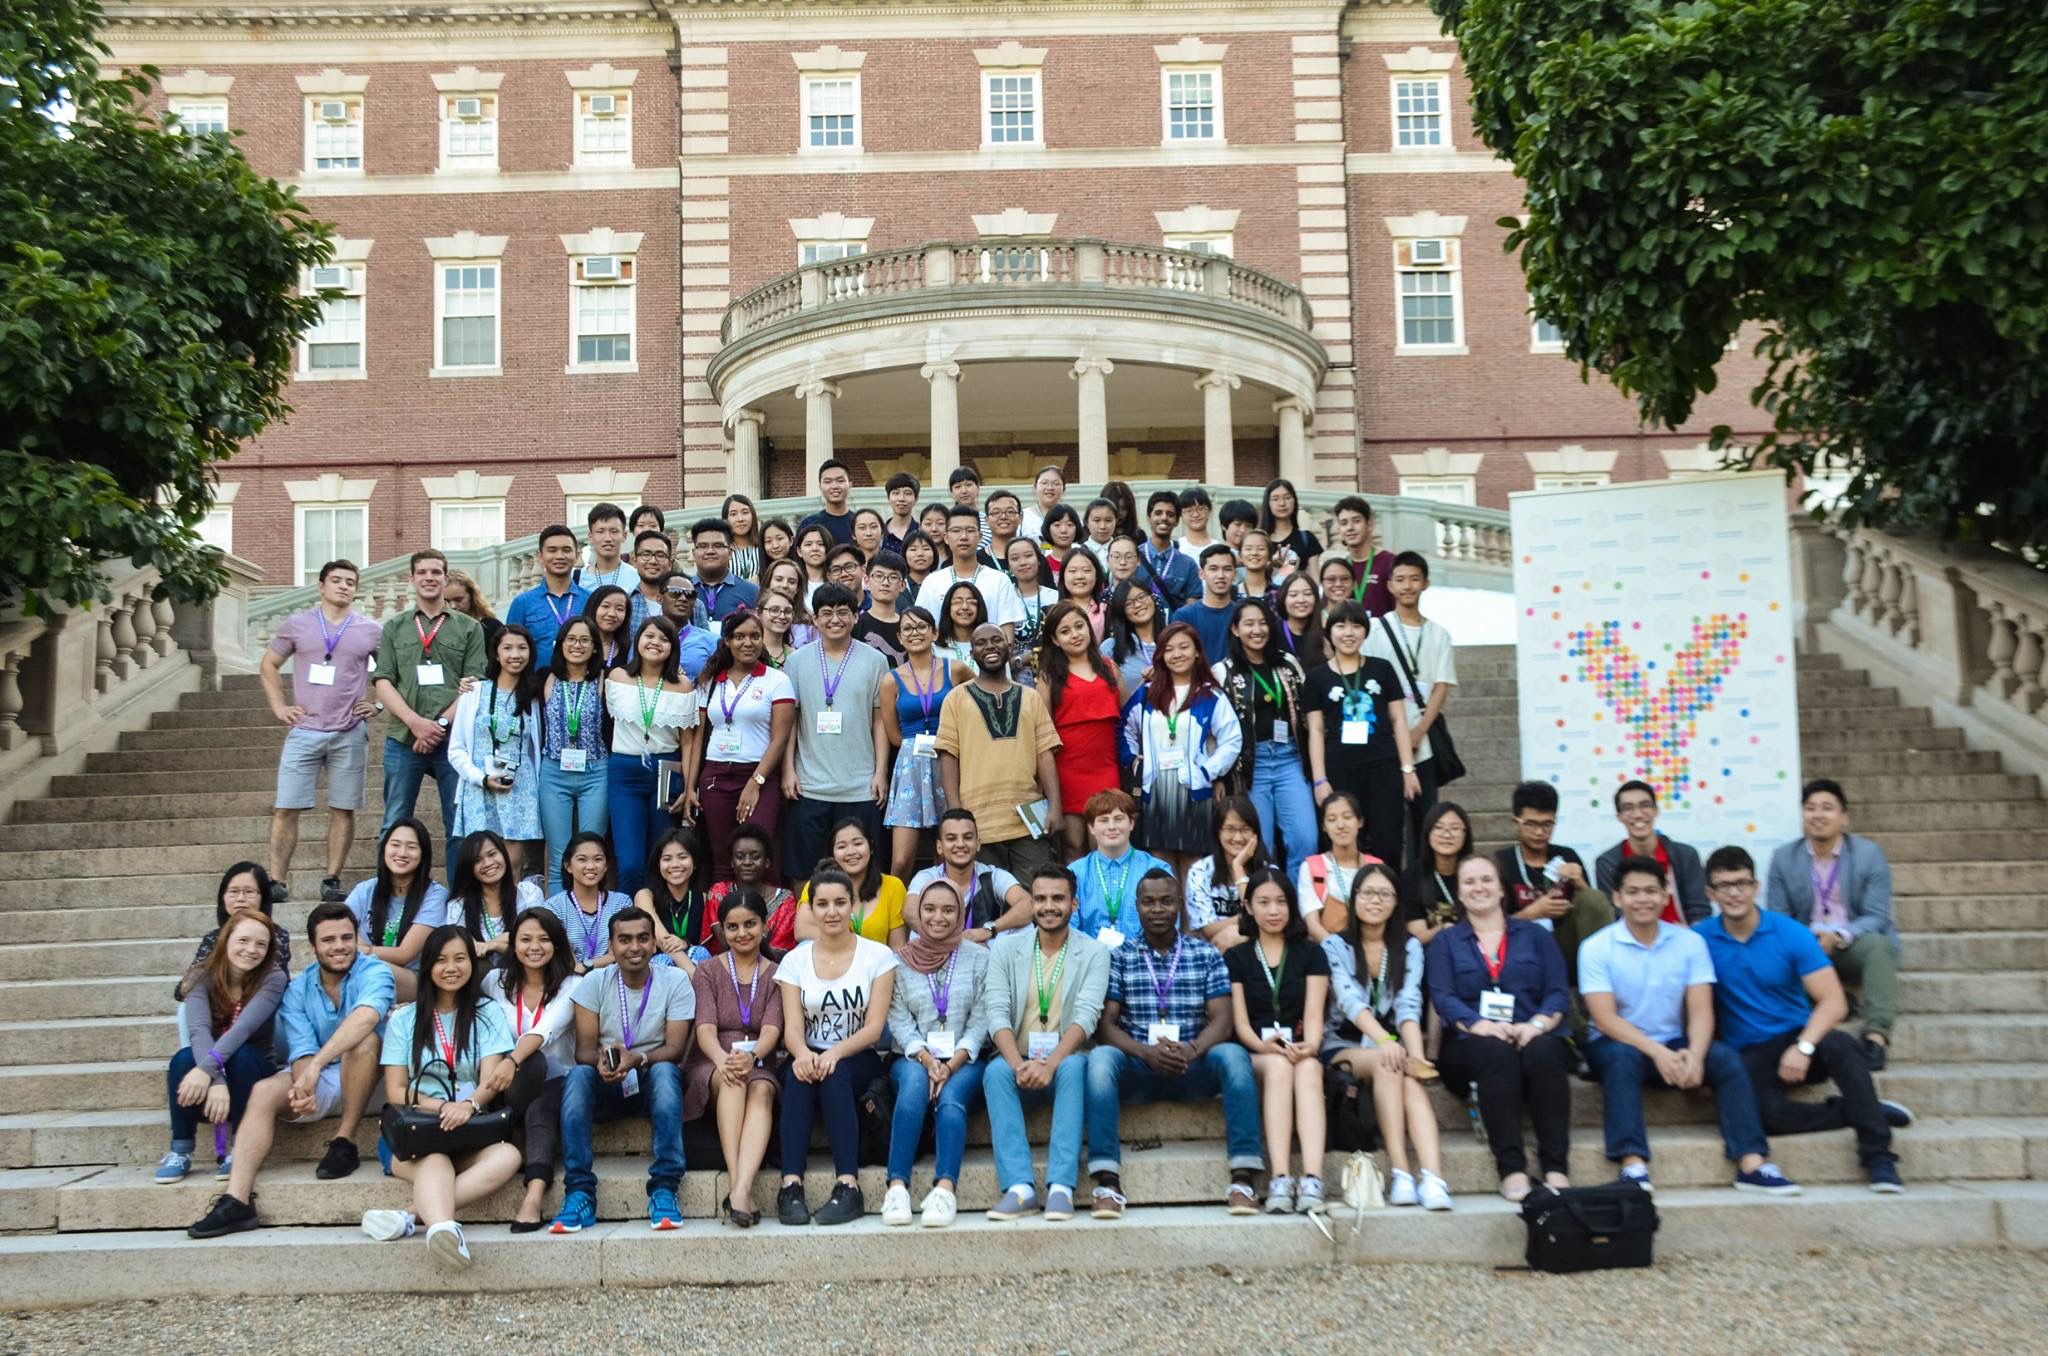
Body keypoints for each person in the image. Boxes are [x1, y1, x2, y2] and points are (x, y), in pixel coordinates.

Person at [1582, 855, 1802, 1197]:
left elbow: (1701, 1011)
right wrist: (1658, 1053)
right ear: (1617, 898)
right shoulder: (1596, 948)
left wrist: (1696, 1056)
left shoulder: (1689, 942)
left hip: (1673, 1042)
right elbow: (1605, 1019)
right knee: (1622, 1058)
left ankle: (1751, 1163)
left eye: (1651, 891)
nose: (1643, 899)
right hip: (1617, 1044)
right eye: (1634, 892)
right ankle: (1633, 1165)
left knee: (1725, 1058)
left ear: (1666, 893)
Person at [1699, 846, 1913, 1194]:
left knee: (1844, 1046)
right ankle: (1859, 1109)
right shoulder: (1700, 940)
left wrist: (1803, 1046)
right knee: (1769, 1118)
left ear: (1756, 887)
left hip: (1799, 1036)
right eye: (1723, 885)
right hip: (1749, 1052)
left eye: (1741, 883)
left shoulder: (1789, 933)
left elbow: (1833, 1001)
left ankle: (1879, 1157)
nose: (1734, 893)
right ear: (1710, 893)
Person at [188, 904, 393, 1238]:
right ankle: (237, 1200)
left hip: (377, 1083)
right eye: (328, 940)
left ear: (358, 939)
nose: (339, 946)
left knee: (364, 1040)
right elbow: (301, 1049)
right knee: (264, 1091)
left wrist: (313, 1067)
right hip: (327, 1077)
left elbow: (367, 1017)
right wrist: (302, 1086)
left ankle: (345, 1140)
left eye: (346, 937)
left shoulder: (376, 972)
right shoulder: (298, 989)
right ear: (312, 946)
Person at [1086, 869, 1265, 1217]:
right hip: (1139, 1067)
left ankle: (1242, 1178)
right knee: (1100, 1060)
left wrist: (1193, 1049)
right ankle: (1107, 1182)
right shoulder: (1119, 957)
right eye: (1149, 902)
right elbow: (1105, 1027)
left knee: (1232, 1055)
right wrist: (1146, 1053)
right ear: (1136, 906)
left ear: (1180, 905)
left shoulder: (1206, 954)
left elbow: (1223, 1018)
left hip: (1193, 1065)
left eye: (1166, 901)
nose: (1157, 909)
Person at [364, 926, 522, 1268]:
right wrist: (444, 1107)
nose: (451, 968)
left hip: (468, 1126)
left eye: (460, 959)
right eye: (440, 960)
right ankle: (444, 1229)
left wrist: (468, 1106)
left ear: (471, 963)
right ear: (428, 968)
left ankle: (412, 1218)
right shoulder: (404, 1019)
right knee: (434, 1161)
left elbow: (491, 1079)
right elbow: (395, 1091)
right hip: (415, 1132)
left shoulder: (487, 1012)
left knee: (508, 1156)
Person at [1425, 855, 1573, 1202]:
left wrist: (1535, 1026)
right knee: (1497, 1054)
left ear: (1502, 888)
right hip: (1468, 1042)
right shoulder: (1447, 942)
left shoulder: (1535, 935)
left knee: (1546, 1052)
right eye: (1470, 882)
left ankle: (1556, 1167)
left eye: (1487, 880)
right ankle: (1512, 1169)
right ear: (1459, 894)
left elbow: (1557, 993)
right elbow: (1443, 997)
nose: (1479, 888)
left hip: (1530, 1032)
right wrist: (1481, 1025)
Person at [549, 907, 695, 1232]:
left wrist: (637, 1059)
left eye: (643, 938)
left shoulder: (675, 981)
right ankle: (579, 1192)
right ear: (611, 946)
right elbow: (583, 1050)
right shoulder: (593, 982)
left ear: (654, 945)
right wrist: (603, 1060)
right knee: (577, 1074)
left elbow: (674, 1048)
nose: (634, 947)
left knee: (666, 1072)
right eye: (625, 940)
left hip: (650, 1081)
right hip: (606, 1080)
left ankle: (664, 1188)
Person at [983, 865, 1110, 1222]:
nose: (1048, 906)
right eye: (1040, 899)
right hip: (1018, 1057)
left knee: (1072, 1066)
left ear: (1074, 903)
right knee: (995, 1073)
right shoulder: (1005, 950)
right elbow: (996, 1014)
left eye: (1058, 898)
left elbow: (1087, 1016)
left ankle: (1061, 1188)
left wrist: (1050, 1063)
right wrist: (1017, 1064)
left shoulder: (1095, 952)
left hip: (1065, 1058)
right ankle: (1020, 1188)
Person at [774, 866, 898, 1226]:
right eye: (823, 903)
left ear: (852, 905)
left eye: (840, 903)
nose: (831, 911)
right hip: (808, 1050)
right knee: (799, 1077)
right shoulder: (794, 960)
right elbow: (792, 1029)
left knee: (835, 1074)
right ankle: (791, 1186)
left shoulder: (877, 956)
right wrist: (802, 1055)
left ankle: (848, 1186)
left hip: (857, 1056)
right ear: (810, 909)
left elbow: (874, 1028)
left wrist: (832, 1053)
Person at [1323, 864, 1451, 1210]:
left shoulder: (1408, 947)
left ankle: (1433, 1178)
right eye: (1367, 893)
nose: (1375, 901)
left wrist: (1418, 1056)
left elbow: (1409, 1006)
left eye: (1384, 894)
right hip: (1343, 1045)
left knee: (1409, 1079)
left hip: (1389, 1044)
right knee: (1389, 1061)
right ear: (1354, 899)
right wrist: (1387, 1043)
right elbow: (1349, 1002)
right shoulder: (1335, 945)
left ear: (1396, 902)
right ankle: (1400, 1171)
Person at [262, 558, 380, 905]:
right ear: (321, 586)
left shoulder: (370, 630)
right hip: (305, 728)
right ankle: (276, 879)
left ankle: (331, 878)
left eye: (350, 582)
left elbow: (390, 672)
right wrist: (279, 707)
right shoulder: (297, 625)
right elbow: (268, 663)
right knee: (286, 806)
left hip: (349, 730)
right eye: (337, 580)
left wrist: (377, 704)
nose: (343, 586)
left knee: (343, 807)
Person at [881, 879, 995, 1229]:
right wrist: (930, 1061)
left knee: (952, 1096)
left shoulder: (980, 957)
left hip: (967, 1058)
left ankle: (945, 1188)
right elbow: (898, 1021)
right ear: (918, 912)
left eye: (948, 910)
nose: (938, 917)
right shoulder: (899, 962)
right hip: (913, 1058)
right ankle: (897, 1187)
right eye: (929, 909)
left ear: (960, 913)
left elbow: (982, 1019)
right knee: (915, 1086)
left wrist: (952, 1064)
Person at [1766, 778, 1902, 1069]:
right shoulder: (1783, 858)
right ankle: (1837, 999)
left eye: (1827, 808)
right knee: (1770, 962)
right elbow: (1778, 916)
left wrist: (1839, 936)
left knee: (1879, 946)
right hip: (1807, 945)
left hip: (1852, 941)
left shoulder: (1868, 854)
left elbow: (1877, 915)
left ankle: (1876, 1036)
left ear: (1844, 817)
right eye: (1810, 808)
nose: (1818, 815)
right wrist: (1807, 939)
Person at [1225, 867, 1329, 1213]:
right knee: (1279, 1067)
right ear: (1249, 908)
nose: (1273, 911)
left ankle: (1313, 1177)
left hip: (1300, 1046)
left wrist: (1310, 1045)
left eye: (1281, 902)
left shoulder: (1311, 952)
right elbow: (1239, 1022)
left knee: (1310, 1069)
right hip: (1257, 1050)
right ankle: (1281, 1177)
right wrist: (1262, 1046)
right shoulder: (1237, 956)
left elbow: (1314, 1014)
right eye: (1264, 902)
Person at [373, 549, 487, 862]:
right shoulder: (394, 628)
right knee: (394, 823)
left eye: (436, 572)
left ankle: (459, 901)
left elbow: (474, 683)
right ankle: (389, 898)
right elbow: (383, 681)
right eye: (422, 572)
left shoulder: (468, 628)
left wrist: (440, 725)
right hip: (403, 737)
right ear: (411, 579)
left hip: (454, 741)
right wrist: (415, 722)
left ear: (445, 578)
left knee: (459, 826)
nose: (429, 578)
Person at [158, 914, 285, 1183]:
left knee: (242, 1055)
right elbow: (198, 1031)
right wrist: (215, 1078)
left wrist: (209, 1071)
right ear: (225, 940)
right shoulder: (200, 974)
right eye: (243, 940)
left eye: (261, 944)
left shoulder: (273, 977)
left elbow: (244, 1030)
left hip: (253, 1065)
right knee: (182, 1060)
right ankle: (180, 1149)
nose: (252, 950)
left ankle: (241, 1145)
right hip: (211, 1064)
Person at [936, 623, 1065, 881]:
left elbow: (1045, 754)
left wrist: (1055, 807)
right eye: (981, 643)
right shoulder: (956, 698)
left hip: (1027, 818)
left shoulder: (1030, 697)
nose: (990, 646)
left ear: (1009, 647)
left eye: (996, 640)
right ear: (971, 654)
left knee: (1034, 895)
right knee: (987, 900)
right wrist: (955, 814)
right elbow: (948, 756)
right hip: (977, 821)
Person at [782, 583, 890, 890]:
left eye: (844, 612)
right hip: (810, 785)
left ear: (856, 617)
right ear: (814, 619)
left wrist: (880, 772)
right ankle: (806, 933)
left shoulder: (875, 660)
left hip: (859, 786)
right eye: (826, 613)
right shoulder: (797, 661)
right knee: (804, 868)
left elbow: (879, 720)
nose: (835, 620)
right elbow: (791, 721)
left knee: (863, 871)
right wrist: (788, 770)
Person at [688, 891, 784, 1227]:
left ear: (764, 926)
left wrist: (754, 1055)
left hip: (759, 1059)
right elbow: (705, 1028)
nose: (741, 933)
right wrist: (721, 1059)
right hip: (713, 1060)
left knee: (760, 1090)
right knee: (732, 1079)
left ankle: (741, 1190)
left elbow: (772, 1029)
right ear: (721, 930)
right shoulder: (708, 970)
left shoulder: (777, 972)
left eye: (749, 924)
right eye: (732, 927)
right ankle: (736, 1182)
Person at [479, 906, 576, 1229]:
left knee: (539, 1105)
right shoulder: (495, 981)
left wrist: (512, 1060)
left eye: (544, 939)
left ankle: (533, 1195)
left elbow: (546, 1029)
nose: (535, 947)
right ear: (513, 945)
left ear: (557, 944)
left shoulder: (572, 984)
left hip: (558, 1080)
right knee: (528, 1078)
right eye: (525, 939)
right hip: (507, 1087)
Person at [1122, 621, 1243, 878]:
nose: (1177, 654)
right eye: (1169, 649)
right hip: (1154, 791)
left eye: (1184, 647)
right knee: (1161, 868)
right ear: (1161, 656)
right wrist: (1134, 761)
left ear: (1197, 651)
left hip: (1193, 791)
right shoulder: (1146, 694)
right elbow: (1124, 729)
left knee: (1192, 869)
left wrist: (1207, 770)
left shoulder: (1210, 695)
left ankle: (1192, 920)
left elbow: (1232, 739)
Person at [1303, 601, 1418, 870]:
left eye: (1356, 626)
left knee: (1387, 843)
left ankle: (1388, 901)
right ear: (1329, 632)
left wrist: (1407, 769)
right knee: (1342, 842)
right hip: (1339, 770)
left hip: (1383, 767)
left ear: (1365, 632)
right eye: (1340, 626)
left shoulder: (1382, 669)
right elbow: (1316, 731)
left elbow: (1399, 720)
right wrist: (1320, 779)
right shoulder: (1317, 678)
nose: (1348, 633)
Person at [688, 608, 795, 882]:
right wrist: (690, 787)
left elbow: (780, 738)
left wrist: (755, 782)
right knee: (723, 858)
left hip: (758, 773)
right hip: (715, 775)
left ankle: (768, 922)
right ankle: (724, 922)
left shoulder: (776, 679)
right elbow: (698, 737)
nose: (747, 643)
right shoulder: (710, 680)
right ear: (727, 641)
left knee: (759, 854)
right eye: (739, 636)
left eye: (754, 636)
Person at [1213, 598, 1316, 881]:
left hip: (1289, 759)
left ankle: (1299, 909)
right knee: (1260, 845)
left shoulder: (1287, 663)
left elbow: (1307, 713)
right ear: (1235, 629)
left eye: (1262, 623)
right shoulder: (1224, 671)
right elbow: (1214, 729)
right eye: (1248, 624)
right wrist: (1218, 776)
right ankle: (1267, 909)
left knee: (1305, 838)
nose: (1257, 630)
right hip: (1250, 767)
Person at [1364, 551, 1457, 858]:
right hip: (1385, 741)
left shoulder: (1439, 635)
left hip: (1424, 743)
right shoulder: (1376, 630)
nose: (1407, 586)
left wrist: (1419, 732)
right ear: (1389, 585)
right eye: (1400, 579)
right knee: (1386, 823)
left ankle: (1423, 891)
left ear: (1426, 583)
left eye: (1414, 579)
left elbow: (1441, 687)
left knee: (1425, 821)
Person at [1494, 780, 1619, 996]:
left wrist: (1580, 885)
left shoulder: (1567, 857)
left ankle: (1604, 986)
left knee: (1594, 898)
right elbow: (1490, 925)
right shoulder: (1501, 862)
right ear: (1516, 822)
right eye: (1531, 824)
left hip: (1565, 945)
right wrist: (1532, 913)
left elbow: (1594, 910)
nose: (1540, 832)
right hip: (1521, 947)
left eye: (1547, 824)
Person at [604, 616, 699, 894]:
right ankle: (629, 919)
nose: (655, 643)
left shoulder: (683, 686)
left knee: (662, 855)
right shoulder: (618, 677)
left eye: (663, 638)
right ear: (638, 640)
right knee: (630, 860)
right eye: (649, 636)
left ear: (673, 647)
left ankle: (659, 920)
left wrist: (689, 787)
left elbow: (689, 744)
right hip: (625, 769)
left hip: (666, 770)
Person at [448, 623, 545, 883]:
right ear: (496, 654)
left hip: (519, 787)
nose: (515, 655)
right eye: (508, 648)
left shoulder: (534, 696)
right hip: (479, 786)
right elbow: (455, 748)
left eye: (522, 648)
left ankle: (512, 920)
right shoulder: (474, 691)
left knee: (513, 865)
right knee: (481, 864)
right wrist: (478, 777)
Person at [879, 606, 967, 878]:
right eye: (907, 628)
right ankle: (897, 916)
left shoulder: (957, 670)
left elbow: (979, 701)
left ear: (934, 633)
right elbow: (893, 734)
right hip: (911, 765)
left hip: (949, 760)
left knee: (948, 851)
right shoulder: (890, 680)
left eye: (921, 627)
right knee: (902, 859)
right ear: (900, 637)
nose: (914, 633)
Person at [1037, 601, 1122, 860]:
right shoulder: (1048, 676)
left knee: (1106, 845)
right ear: (1054, 639)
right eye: (1065, 631)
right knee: (1073, 845)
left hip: (1107, 768)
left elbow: (1130, 714)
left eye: (1079, 626)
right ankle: (1076, 901)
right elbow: (1041, 733)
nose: (1075, 634)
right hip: (1067, 771)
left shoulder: (1109, 667)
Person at [537, 616, 609, 895]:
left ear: (594, 647)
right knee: (559, 855)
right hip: (554, 772)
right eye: (571, 639)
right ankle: (555, 923)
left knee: (592, 852)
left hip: (595, 772)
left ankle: (592, 917)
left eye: (584, 640)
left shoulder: (605, 678)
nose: (577, 645)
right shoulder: (547, 678)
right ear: (561, 644)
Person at [344, 817, 449, 1003]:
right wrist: (356, 950)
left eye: (411, 847)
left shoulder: (434, 895)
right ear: (384, 849)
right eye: (395, 844)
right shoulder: (365, 890)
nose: (402, 853)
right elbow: (343, 930)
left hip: (413, 979)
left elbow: (404, 954)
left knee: (372, 970)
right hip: (362, 969)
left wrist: (362, 951)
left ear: (423, 854)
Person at [905, 808, 1035, 940]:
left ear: (978, 844)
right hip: (939, 950)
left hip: (984, 953)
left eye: (967, 837)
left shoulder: (993, 875)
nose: (960, 844)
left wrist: (990, 929)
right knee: (916, 934)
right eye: (951, 839)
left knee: (1025, 928)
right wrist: (949, 939)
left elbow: (1027, 905)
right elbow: (910, 911)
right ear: (940, 847)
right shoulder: (927, 877)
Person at [1596, 780, 1710, 925]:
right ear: (1619, 816)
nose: (1637, 814)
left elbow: (1699, 911)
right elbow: (1615, 916)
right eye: (1628, 808)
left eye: (1645, 805)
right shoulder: (1607, 863)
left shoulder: (1686, 855)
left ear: (1656, 810)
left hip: (1682, 937)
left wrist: (1689, 937)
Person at [174, 863, 291, 1001]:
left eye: (249, 892)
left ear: (263, 897)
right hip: (219, 1005)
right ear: (223, 897)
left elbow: (275, 983)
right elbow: (185, 989)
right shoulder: (213, 938)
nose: (240, 898)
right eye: (234, 891)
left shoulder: (277, 935)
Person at [1067, 787, 1169, 944]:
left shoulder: (1157, 870)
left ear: (1132, 824)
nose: (1112, 826)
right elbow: (1069, 928)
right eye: (1103, 820)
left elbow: (1167, 925)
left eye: (1119, 819)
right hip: (1090, 961)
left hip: (1143, 960)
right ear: (1091, 828)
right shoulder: (1076, 872)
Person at [794, 817, 910, 946]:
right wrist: (852, 945)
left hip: (876, 964)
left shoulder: (893, 886)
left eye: (858, 844)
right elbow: (802, 930)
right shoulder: (819, 884)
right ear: (832, 854)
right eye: (842, 846)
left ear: (871, 848)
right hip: (831, 961)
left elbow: (897, 947)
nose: (851, 852)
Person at [915, 504, 1025, 634]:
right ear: (946, 537)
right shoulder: (932, 582)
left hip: (989, 654)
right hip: (942, 654)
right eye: (956, 531)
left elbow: (1007, 636)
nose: (963, 537)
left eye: (970, 530)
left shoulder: (999, 581)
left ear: (980, 537)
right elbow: (921, 628)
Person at [1184, 796, 1275, 950]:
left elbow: (1269, 922)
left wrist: (1238, 867)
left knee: (1234, 934)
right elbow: (1208, 930)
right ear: (1218, 832)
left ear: (1255, 833)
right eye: (1230, 829)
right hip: (1214, 953)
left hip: (1261, 948)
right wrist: (1246, 919)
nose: (1238, 837)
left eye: (1245, 829)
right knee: (1230, 936)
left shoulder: (1269, 873)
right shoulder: (1199, 872)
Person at [447, 829, 544, 965]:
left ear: (504, 854)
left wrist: (493, 945)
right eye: (477, 860)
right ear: (468, 867)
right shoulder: (458, 905)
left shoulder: (529, 893)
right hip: (479, 977)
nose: (488, 863)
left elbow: (535, 940)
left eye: (492, 854)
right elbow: (461, 949)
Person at [547, 832, 638, 973]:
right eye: (582, 860)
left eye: (598, 859)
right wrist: (606, 959)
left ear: (606, 865)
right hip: (569, 982)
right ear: (568, 866)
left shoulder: (621, 903)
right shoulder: (554, 907)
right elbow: (564, 960)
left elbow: (624, 951)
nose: (590, 866)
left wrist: (585, 965)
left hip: (614, 979)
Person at [1298, 792, 1380, 943]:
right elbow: (1313, 925)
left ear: (1360, 821)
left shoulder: (1377, 868)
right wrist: (1339, 951)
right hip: (1328, 950)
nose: (1340, 825)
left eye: (1347, 817)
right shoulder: (1311, 867)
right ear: (1324, 826)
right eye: (1332, 819)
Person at [504, 525, 589, 667]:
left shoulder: (590, 600)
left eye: (566, 550)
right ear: (540, 557)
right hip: (536, 684)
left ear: (577, 555)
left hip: (580, 684)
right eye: (552, 550)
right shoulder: (523, 603)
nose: (560, 556)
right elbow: (510, 647)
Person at [706, 824, 799, 950]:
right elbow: (726, 944)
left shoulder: (785, 900)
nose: (747, 862)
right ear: (732, 862)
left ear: (767, 862)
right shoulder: (719, 893)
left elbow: (780, 952)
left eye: (755, 857)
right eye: (740, 857)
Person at [638, 826, 716, 959]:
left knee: (700, 953)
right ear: (658, 864)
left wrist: (686, 944)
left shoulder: (703, 899)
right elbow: (665, 943)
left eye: (682, 857)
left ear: (695, 862)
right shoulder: (645, 896)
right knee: (664, 960)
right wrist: (695, 976)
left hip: (694, 962)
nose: (675, 864)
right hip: (660, 969)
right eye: (667, 859)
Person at [1408, 800, 1474, 943]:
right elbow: (1417, 937)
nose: (1446, 835)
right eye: (1438, 828)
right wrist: (1444, 928)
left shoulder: (1475, 873)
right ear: (1428, 833)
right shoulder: (1413, 876)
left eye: (1455, 828)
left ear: (1465, 834)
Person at [1005, 535, 1059, 683]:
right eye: (1015, 559)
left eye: (1028, 556)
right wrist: (1020, 660)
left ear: (1039, 560)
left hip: (1054, 679)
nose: (1022, 563)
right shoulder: (1004, 600)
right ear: (1009, 566)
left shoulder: (1056, 598)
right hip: (1016, 683)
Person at [1173, 543, 1240, 660]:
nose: (1220, 575)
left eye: (1227, 569)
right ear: (1201, 574)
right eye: (1213, 569)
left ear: (1235, 574)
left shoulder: (1241, 614)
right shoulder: (1184, 616)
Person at [1330, 496, 1395, 616]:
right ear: (1339, 529)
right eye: (1344, 523)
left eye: (1356, 521)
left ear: (1369, 524)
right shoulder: (1339, 569)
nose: (1350, 528)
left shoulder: (1390, 562)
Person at [688, 517, 759, 627]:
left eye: (718, 546)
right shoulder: (682, 592)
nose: (710, 551)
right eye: (703, 546)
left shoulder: (752, 592)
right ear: (694, 553)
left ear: (730, 553)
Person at [655, 573, 719, 683]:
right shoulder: (646, 637)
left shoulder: (712, 641)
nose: (683, 598)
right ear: (660, 598)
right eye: (675, 592)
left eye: (690, 595)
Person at [1101, 578, 1161, 693]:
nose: (1138, 604)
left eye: (1141, 597)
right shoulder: (1110, 648)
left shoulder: (1172, 641)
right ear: (1121, 611)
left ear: (1152, 597)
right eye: (1128, 603)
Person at [853, 550, 910, 666]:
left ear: (902, 585)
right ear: (867, 581)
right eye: (879, 576)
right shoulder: (856, 624)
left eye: (893, 577)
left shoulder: (908, 626)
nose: (885, 583)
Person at [1260, 478, 1322, 580]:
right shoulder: (1260, 540)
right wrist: (1271, 566)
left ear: (1294, 500)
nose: (1282, 503)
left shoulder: (1307, 539)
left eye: (1287, 497)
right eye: (1275, 499)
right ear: (1268, 504)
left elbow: (1315, 580)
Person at [573, 502, 639, 592]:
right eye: (600, 532)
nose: (608, 538)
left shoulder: (637, 578)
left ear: (624, 536)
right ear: (590, 537)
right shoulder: (576, 579)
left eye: (614, 531)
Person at [1274, 572, 1328, 668]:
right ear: (1283, 599)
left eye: (1307, 594)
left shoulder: (1325, 634)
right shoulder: (1273, 633)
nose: (1301, 600)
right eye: (1293, 595)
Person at [626, 530, 675, 637]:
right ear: (635, 561)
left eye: (660, 555)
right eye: (646, 554)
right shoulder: (624, 604)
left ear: (670, 564)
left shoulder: (691, 604)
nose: (653, 561)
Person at [798, 457, 857, 545]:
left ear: (850, 485)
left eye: (840, 481)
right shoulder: (809, 523)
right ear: (820, 487)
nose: (834, 486)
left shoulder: (859, 523)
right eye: (828, 481)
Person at [444, 570, 503, 652]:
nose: (452, 606)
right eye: (446, 601)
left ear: (472, 596)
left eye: (459, 600)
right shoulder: (435, 629)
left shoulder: (490, 627)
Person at [1057, 546, 1108, 636]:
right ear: (1063, 576)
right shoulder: (1050, 612)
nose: (1079, 576)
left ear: (1096, 575)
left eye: (1086, 570)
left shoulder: (1107, 609)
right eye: (1072, 571)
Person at [936, 579, 988, 667]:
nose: (965, 607)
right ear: (948, 607)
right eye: (958, 602)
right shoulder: (934, 649)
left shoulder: (992, 647)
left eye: (971, 602)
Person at [758, 589, 805, 670]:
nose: (782, 616)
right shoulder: (751, 652)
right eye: (774, 610)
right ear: (759, 613)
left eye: (788, 611)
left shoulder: (797, 655)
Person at [948, 464, 991, 550]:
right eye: (957, 487)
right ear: (951, 492)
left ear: (978, 487)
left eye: (968, 485)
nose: (964, 491)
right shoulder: (946, 520)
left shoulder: (989, 520)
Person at [1019, 463, 1066, 539]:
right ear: (1035, 487)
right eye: (1044, 483)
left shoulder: (1071, 518)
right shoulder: (1022, 517)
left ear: (1064, 489)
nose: (1050, 487)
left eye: (1056, 484)